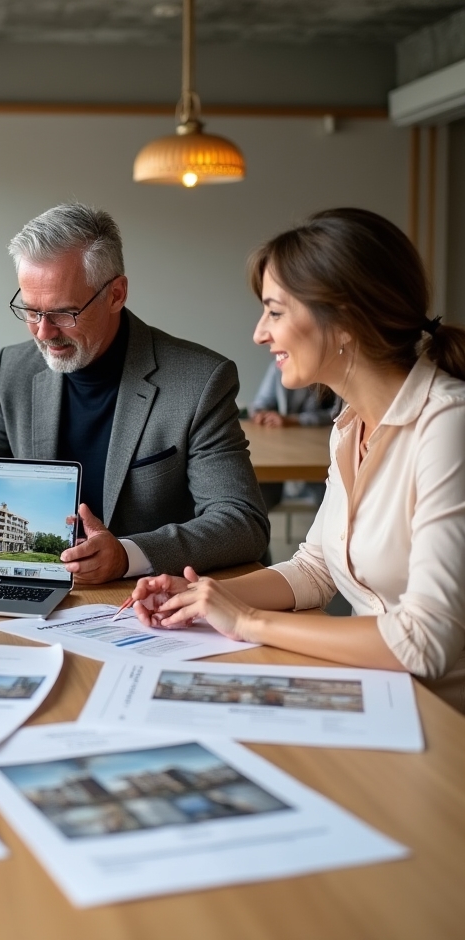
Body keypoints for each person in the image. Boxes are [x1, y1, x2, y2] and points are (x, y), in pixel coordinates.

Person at [127, 208, 465, 711]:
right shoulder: (350, 425)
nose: (260, 333)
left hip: (444, 722)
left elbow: (424, 643)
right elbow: (315, 569)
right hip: (383, 697)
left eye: (275, 312)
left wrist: (247, 621)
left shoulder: (449, 426)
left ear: (345, 320)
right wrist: (201, 594)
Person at [0, 203, 270, 584]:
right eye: (31, 311)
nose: (43, 333)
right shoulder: (14, 369)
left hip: (148, 595)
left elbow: (242, 521)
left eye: (63, 313)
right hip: (39, 587)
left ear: (116, 294)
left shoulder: (199, 382)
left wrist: (127, 555)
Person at [249, 359, 340, 510]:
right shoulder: (277, 367)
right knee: (257, 492)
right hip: (278, 448)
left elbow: (337, 414)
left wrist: (295, 420)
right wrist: (261, 414)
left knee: (329, 496)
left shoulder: (329, 369)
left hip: (319, 450)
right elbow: (260, 403)